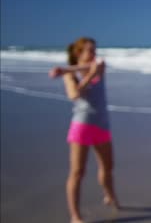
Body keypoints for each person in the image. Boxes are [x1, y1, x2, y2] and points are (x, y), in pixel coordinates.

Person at [49, 37, 119, 223]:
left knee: (108, 167)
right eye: (89, 51)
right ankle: (75, 216)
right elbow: (74, 95)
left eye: (94, 50)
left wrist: (68, 69)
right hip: (82, 126)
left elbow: (99, 65)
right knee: (77, 172)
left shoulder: (99, 66)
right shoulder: (70, 75)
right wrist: (85, 76)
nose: (94, 54)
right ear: (78, 53)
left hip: (102, 125)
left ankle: (110, 195)